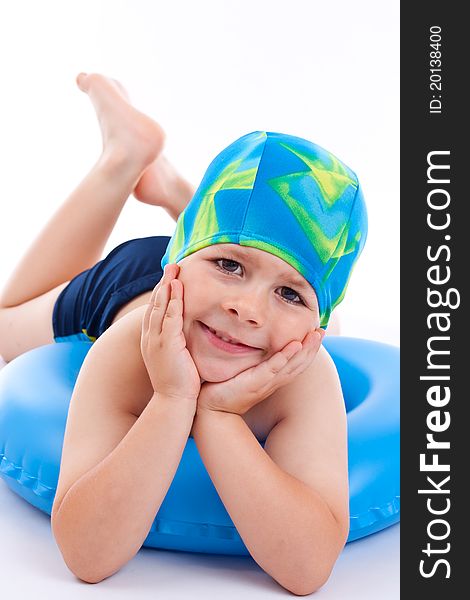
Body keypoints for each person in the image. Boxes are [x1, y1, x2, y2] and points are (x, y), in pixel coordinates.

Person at [0, 73, 367, 594]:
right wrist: (174, 398)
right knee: (7, 322)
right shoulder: (124, 352)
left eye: (291, 294)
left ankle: (181, 197)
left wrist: (215, 416)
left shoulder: (306, 379)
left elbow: (307, 570)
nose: (247, 309)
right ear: (181, 261)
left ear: (319, 323)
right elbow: (86, 555)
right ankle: (122, 160)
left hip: (198, 279)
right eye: (229, 265)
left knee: (247, 246)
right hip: (127, 287)